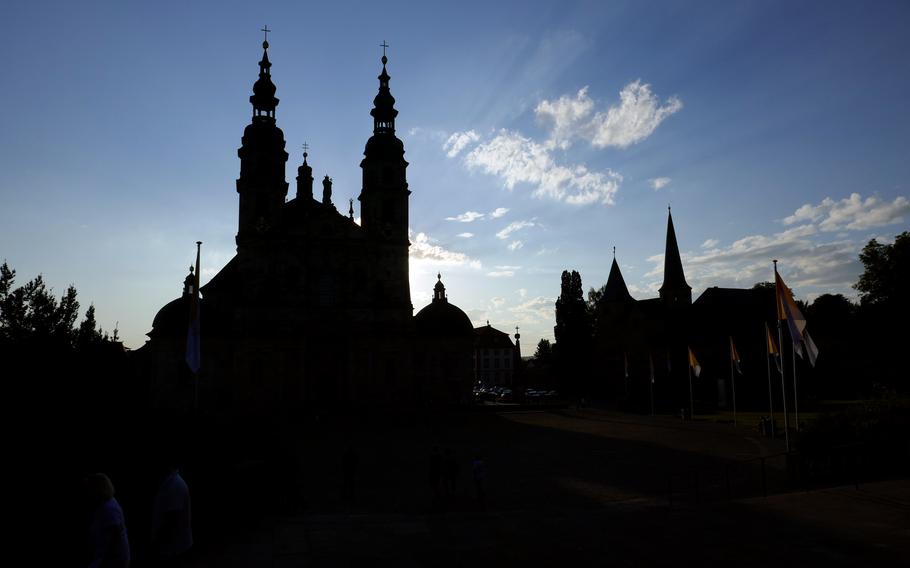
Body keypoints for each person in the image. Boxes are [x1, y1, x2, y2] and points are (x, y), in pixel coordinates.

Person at [85, 473, 131, 568]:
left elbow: (112, 538)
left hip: (113, 562)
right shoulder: (108, 504)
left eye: (89, 488)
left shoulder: (108, 508)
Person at [150, 465, 192, 564]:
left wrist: (156, 542)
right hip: (174, 546)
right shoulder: (171, 482)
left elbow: (172, 519)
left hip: (175, 548)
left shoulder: (175, 485)